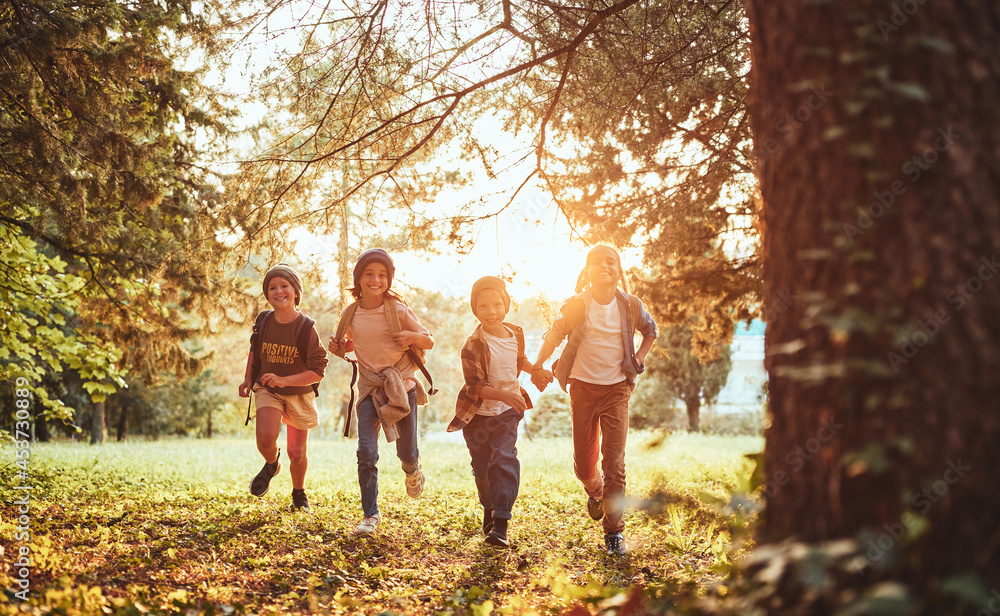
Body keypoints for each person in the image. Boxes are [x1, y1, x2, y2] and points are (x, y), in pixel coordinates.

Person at [529, 245, 658, 555]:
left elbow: (650, 330)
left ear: (618, 271)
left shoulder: (630, 305)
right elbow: (554, 334)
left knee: (615, 464)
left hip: (617, 392)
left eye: (610, 261)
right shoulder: (577, 305)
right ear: (586, 272)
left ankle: (614, 533)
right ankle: (595, 490)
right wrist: (538, 365)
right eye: (596, 262)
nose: (604, 266)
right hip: (583, 391)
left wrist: (637, 360)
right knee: (585, 467)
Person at [328, 248, 434, 535]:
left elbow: (429, 341)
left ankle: (413, 470)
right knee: (366, 451)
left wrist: (411, 337)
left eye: (382, 275)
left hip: (402, 386)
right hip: (369, 388)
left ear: (389, 279)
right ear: (359, 279)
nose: (376, 280)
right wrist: (340, 348)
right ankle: (370, 515)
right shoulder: (350, 313)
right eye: (369, 274)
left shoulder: (398, 310)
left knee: (406, 452)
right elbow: (352, 344)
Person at [447, 276, 541, 548]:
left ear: (507, 305)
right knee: (482, 468)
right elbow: (475, 387)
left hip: (506, 413)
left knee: (504, 457)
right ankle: (488, 507)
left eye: (497, 304)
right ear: (475, 309)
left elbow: (519, 359)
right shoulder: (473, 344)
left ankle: (501, 523)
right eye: (483, 305)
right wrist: (506, 395)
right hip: (477, 415)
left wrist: (536, 370)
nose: (491, 311)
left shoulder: (516, 334)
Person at [239, 263, 328, 511]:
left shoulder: (306, 327)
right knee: (265, 439)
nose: (278, 291)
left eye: (284, 286)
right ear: (267, 293)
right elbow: (255, 350)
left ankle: (299, 493)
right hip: (268, 389)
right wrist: (248, 379)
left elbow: (318, 371)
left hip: (299, 393)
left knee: (297, 453)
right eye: (272, 287)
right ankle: (272, 463)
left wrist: (285, 380)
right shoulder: (264, 321)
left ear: (296, 291)